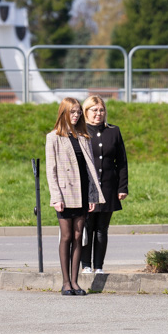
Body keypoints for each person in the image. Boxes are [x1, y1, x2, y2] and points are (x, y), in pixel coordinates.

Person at [45, 98, 105, 296]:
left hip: (82, 192)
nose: (77, 115)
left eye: (78, 112)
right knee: (67, 236)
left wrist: (92, 196)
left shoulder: (83, 136)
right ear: (64, 113)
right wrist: (56, 197)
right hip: (64, 193)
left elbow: (90, 170)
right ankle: (65, 283)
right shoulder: (53, 137)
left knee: (79, 237)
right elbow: (51, 170)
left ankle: (75, 282)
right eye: (73, 112)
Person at [80, 95, 128, 275]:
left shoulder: (113, 131)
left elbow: (121, 161)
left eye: (101, 110)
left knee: (102, 229)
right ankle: (86, 265)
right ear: (86, 112)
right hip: (87, 189)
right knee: (87, 226)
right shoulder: (81, 132)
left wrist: (122, 187)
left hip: (108, 186)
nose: (98, 114)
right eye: (94, 110)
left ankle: (98, 266)